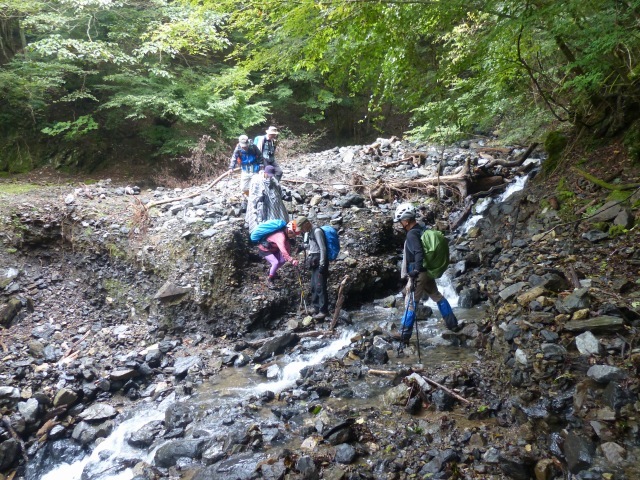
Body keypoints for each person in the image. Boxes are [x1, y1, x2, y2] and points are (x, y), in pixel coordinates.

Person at [393, 202, 460, 342]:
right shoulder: (420, 229)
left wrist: (415, 270)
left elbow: (418, 252)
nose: (400, 223)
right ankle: (452, 324)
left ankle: (404, 334)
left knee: (411, 302)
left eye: (400, 221)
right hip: (426, 272)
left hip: (419, 273)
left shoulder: (411, 234)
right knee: (436, 295)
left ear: (406, 220)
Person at [296, 216, 329, 320]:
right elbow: (312, 246)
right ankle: (316, 307)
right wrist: (302, 247)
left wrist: (322, 264)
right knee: (313, 286)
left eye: (301, 228)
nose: (301, 230)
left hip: (320, 261)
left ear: (306, 224)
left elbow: (322, 248)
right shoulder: (309, 232)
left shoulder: (317, 231)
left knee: (320, 286)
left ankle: (323, 311)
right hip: (314, 261)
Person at [245, 165, 289, 233]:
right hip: (262, 204)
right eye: (269, 175)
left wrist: (284, 196)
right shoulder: (257, 180)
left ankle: (280, 229)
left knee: (280, 216)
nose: (270, 176)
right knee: (261, 220)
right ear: (265, 173)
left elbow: (279, 189)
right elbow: (253, 195)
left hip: (274, 204)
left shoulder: (273, 180)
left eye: (271, 175)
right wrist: (259, 198)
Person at [258, 220, 301, 289]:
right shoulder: (280, 236)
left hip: (274, 249)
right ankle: (269, 280)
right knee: (275, 262)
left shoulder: (286, 238)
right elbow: (283, 250)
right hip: (265, 249)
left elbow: (287, 250)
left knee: (283, 260)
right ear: (289, 231)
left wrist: (289, 259)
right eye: (292, 234)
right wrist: (292, 260)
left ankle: (272, 272)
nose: (292, 236)